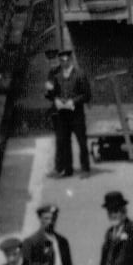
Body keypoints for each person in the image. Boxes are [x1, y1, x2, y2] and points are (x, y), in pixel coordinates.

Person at [46, 48, 93, 178]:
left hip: (76, 114)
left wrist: (73, 101)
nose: (64, 63)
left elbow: (86, 95)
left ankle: (85, 168)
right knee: (64, 142)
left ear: (70, 60)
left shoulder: (79, 74)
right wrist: (54, 98)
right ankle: (67, 169)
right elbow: (52, 94)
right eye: (61, 60)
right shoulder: (56, 75)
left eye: (66, 60)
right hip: (62, 115)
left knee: (81, 142)